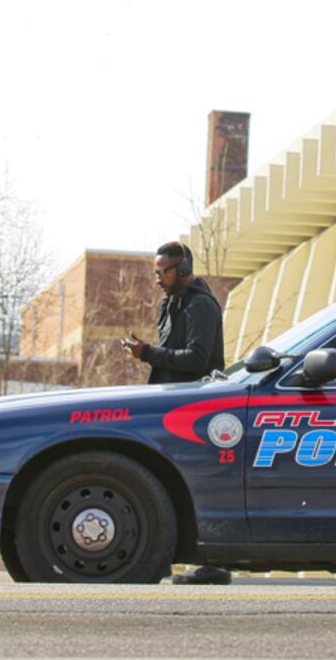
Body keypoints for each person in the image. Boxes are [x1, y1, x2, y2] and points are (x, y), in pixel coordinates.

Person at [121, 240, 228, 585]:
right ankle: (163, 558)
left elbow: (197, 359)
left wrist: (147, 353)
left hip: (197, 410)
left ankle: (214, 565)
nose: (157, 279)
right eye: (155, 272)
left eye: (162, 272)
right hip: (171, 406)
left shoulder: (201, 306)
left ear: (182, 270)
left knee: (199, 485)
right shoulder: (170, 304)